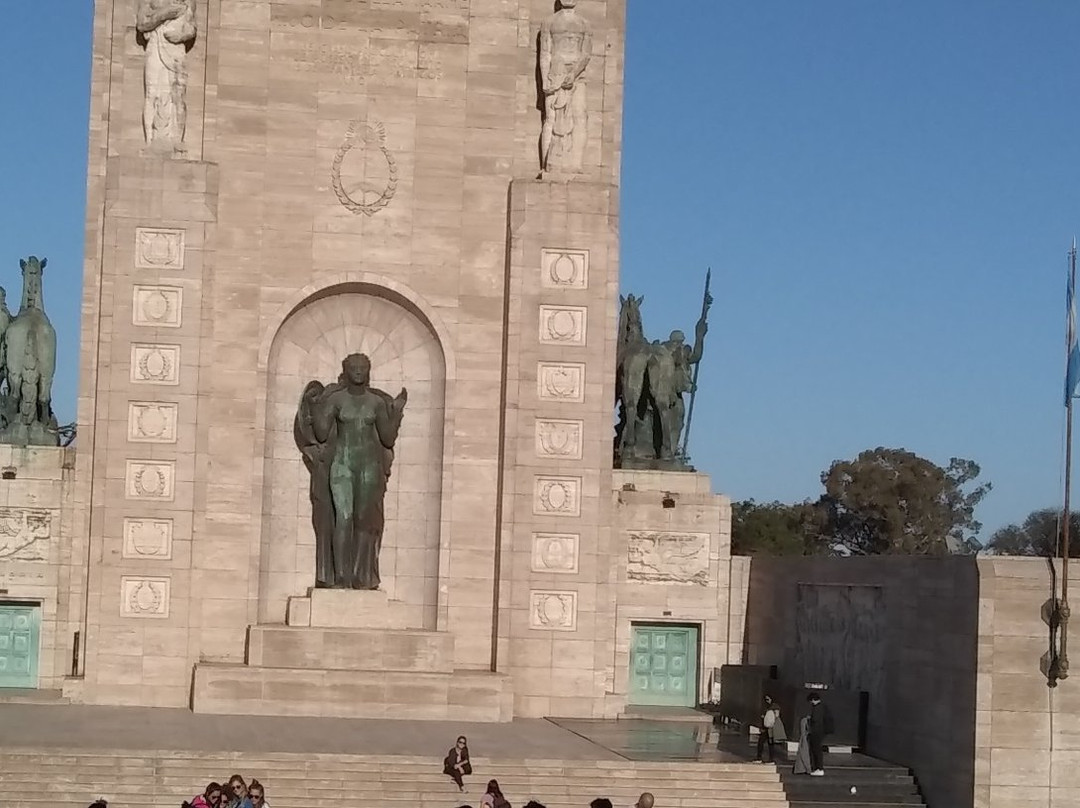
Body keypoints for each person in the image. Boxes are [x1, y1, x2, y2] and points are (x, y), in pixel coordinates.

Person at [807, 693, 833, 776]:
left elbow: (815, 719)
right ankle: (818, 768)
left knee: (816, 750)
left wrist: (809, 719)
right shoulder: (824, 707)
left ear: (813, 700)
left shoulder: (817, 708)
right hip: (821, 732)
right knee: (817, 749)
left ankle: (818, 768)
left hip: (816, 732)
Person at [755, 695, 787, 763]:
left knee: (769, 743)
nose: (767, 701)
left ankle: (768, 759)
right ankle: (761, 758)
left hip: (771, 728)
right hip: (766, 727)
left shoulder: (774, 706)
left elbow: (776, 716)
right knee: (763, 742)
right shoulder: (767, 706)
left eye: (768, 699)